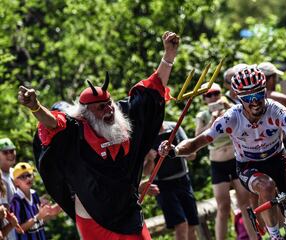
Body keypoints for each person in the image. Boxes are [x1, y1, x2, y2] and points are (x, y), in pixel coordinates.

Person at [18, 31, 180, 240]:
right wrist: (36, 106)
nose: (109, 110)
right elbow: (53, 122)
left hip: (128, 214)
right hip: (93, 219)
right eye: (101, 108)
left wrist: (168, 55)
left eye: (109, 104)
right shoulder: (75, 130)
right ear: (86, 113)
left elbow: (151, 91)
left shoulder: (124, 114)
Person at [160, 66, 286, 240]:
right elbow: (198, 142)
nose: (255, 102)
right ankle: (275, 236)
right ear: (238, 98)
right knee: (266, 186)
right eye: (248, 98)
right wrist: (174, 150)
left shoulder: (276, 110)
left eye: (259, 95)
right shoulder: (231, 118)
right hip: (250, 167)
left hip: (280, 161)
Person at [195, 83, 258, 240]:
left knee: (245, 203)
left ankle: (255, 237)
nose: (213, 97)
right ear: (204, 99)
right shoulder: (202, 116)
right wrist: (212, 122)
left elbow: (245, 121)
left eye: (216, 93)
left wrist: (227, 105)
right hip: (218, 163)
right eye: (208, 95)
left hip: (235, 159)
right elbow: (198, 137)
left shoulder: (230, 110)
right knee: (223, 207)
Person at [143, 121, 198, 240]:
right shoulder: (145, 135)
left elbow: (192, 155)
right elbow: (145, 173)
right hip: (163, 186)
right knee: (181, 224)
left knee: (192, 225)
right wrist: (150, 159)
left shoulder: (175, 127)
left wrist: (179, 150)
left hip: (183, 180)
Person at [10, 162, 61, 240]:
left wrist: (49, 211)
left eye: (29, 175)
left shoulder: (34, 194)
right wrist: (38, 216)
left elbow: (39, 222)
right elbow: (19, 229)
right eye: (23, 177)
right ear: (16, 182)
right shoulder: (16, 201)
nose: (27, 178)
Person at [0, 138, 18, 240]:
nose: (10, 154)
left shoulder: (15, 172)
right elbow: (5, 209)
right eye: (5, 152)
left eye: (11, 150)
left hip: (23, 228)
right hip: (9, 233)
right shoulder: (0, 178)